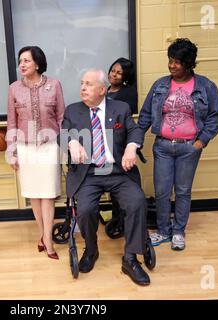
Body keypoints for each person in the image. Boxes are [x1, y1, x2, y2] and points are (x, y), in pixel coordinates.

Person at [59, 69, 151, 286]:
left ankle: (130, 258)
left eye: (89, 84)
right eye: (82, 83)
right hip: (89, 173)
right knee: (85, 210)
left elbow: (134, 131)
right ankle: (91, 250)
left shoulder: (120, 108)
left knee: (137, 202)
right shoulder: (73, 111)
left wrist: (131, 147)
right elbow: (61, 134)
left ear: (102, 89)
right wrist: (72, 142)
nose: (83, 88)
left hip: (118, 171)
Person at [138, 38, 218, 251]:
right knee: (162, 191)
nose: (171, 65)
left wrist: (201, 141)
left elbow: (215, 116)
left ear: (188, 63)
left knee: (183, 190)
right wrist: (135, 140)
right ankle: (163, 231)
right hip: (163, 146)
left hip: (188, 148)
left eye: (177, 62)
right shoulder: (160, 85)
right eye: (170, 60)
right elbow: (146, 115)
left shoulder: (205, 86)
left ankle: (178, 231)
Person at [6, 46, 65, 260]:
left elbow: (61, 118)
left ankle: (47, 239)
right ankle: (43, 234)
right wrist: (11, 151)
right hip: (25, 148)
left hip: (49, 147)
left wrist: (66, 146)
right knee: (34, 195)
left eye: (27, 61)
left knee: (48, 194)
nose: (22, 64)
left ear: (37, 64)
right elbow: (11, 121)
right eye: (20, 61)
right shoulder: (14, 88)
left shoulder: (54, 85)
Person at [106, 58, 138, 224]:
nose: (114, 75)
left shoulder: (128, 92)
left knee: (121, 182)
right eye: (113, 70)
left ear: (125, 76)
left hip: (120, 143)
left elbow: (125, 119)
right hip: (103, 143)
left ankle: (124, 219)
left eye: (119, 73)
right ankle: (116, 217)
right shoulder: (103, 90)